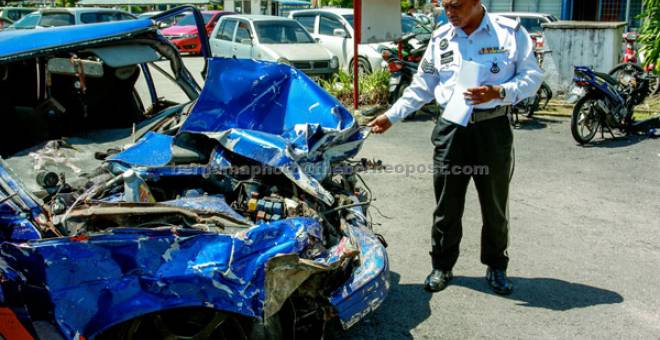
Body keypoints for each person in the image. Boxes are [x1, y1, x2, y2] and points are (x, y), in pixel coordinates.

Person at [368, 0, 543, 295]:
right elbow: (422, 85)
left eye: (457, 5)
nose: (450, 13)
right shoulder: (441, 38)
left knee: (495, 204)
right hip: (451, 128)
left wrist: (500, 91)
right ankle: (442, 265)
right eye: (445, 6)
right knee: (447, 204)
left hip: (492, 128)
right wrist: (391, 116)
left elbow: (532, 76)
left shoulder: (508, 32)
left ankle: (496, 266)